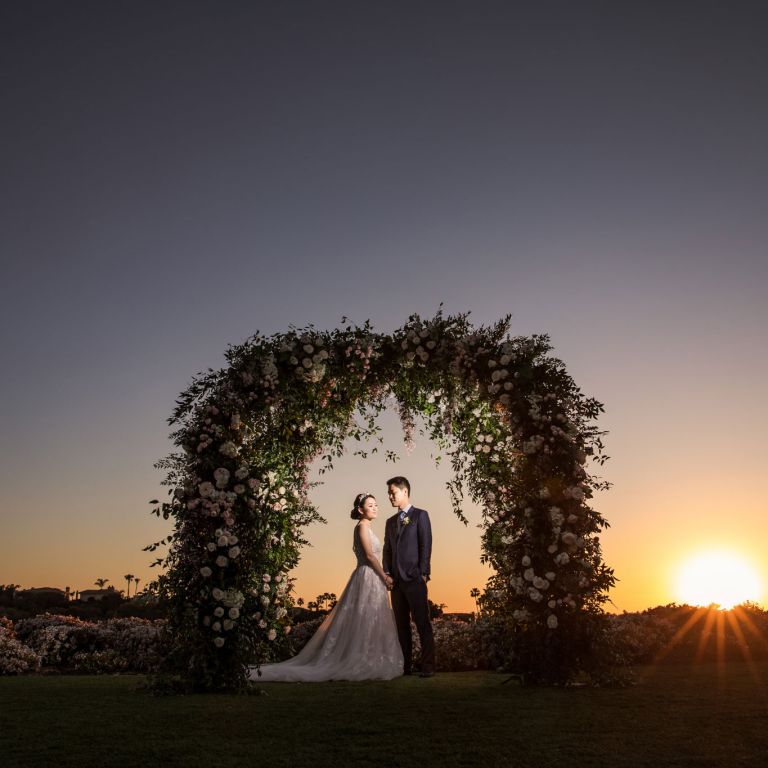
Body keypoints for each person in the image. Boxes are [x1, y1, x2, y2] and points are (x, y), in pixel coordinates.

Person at [249, 493, 403, 682]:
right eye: (370, 505)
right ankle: (360, 659)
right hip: (367, 576)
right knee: (364, 616)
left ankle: (370, 657)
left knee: (372, 617)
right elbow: (370, 556)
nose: (375, 508)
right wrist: (385, 577)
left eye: (376, 505)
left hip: (372, 577)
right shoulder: (362, 527)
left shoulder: (367, 527)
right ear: (360, 509)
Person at [382, 476, 436, 677]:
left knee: (422, 624)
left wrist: (424, 574)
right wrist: (387, 573)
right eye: (388, 493)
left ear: (405, 491)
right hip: (396, 583)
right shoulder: (390, 522)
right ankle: (405, 667)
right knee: (401, 627)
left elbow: (426, 545)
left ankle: (428, 667)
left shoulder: (421, 515)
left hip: (415, 579)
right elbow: (387, 550)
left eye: (393, 493)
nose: (390, 497)